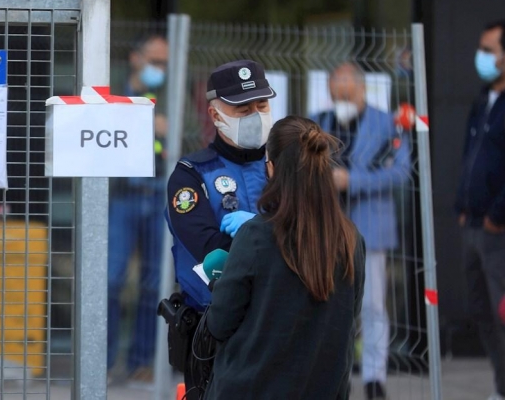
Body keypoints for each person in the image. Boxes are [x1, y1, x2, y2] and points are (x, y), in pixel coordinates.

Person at [204, 116, 366, 400]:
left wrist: (219, 283)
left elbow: (219, 323)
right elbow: (348, 319)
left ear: (272, 168)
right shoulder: (351, 240)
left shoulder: (256, 237)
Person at [160, 59, 275, 396]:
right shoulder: (190, 175)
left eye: (262, 104)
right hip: (214, 331)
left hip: (278, 324)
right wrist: (275, 234)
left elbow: (310, 236)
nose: (255, 115)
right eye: (242, 109)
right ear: (215, 115)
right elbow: (212, 252)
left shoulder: (284, 168)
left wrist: (256, 227)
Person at [314, 61, 411, 400]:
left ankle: (374, 378)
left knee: (372, 306)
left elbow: (401, 173)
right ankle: (331, 376)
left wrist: (353, 181)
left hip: (370, 228)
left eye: (346, 88)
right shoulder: (319, 123)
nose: (339, 93)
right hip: (327, 231)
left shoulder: (387, 124)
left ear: (360, 88)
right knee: (328, 305)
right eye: (334, 88)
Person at [107, 34, 169, 383]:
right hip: (124, 196)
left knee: (153, 282)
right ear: (135, 58)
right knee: (111, 279)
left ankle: (142, 362)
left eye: (164, 63)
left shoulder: (171, 95)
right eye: (154, 61)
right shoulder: (114, 93)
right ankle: (100, 361)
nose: (159, 69)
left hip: (158, 193)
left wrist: (172, 131)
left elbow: (195, 133)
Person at [455, 20, 505, 400]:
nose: (483, 57)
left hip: (496, 229)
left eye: (490, 50)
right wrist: (462, 207)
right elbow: (469, 160)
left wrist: (496, 216)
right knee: (481, 311)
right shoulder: (481, 100)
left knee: (501, 312)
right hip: (471, 223)